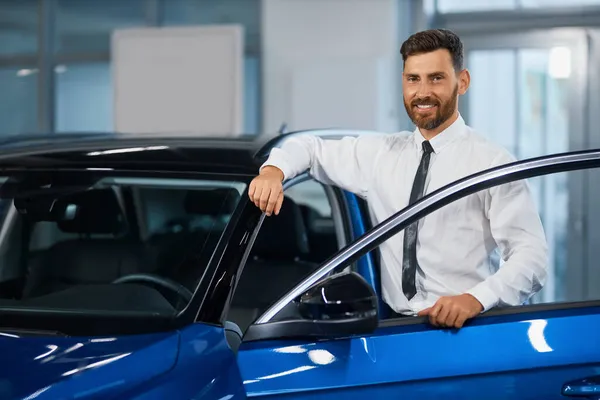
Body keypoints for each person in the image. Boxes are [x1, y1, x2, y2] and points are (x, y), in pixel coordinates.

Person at [248, 29, 548, 329]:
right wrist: (274, 171)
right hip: (392, 329)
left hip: (468, 329)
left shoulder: (492, 162)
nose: (422, 92)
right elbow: (309, 148)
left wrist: (476, 298)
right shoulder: (381, 153)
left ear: (463, 82)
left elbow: (531, 257)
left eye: (436, 78)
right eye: (413, 79)